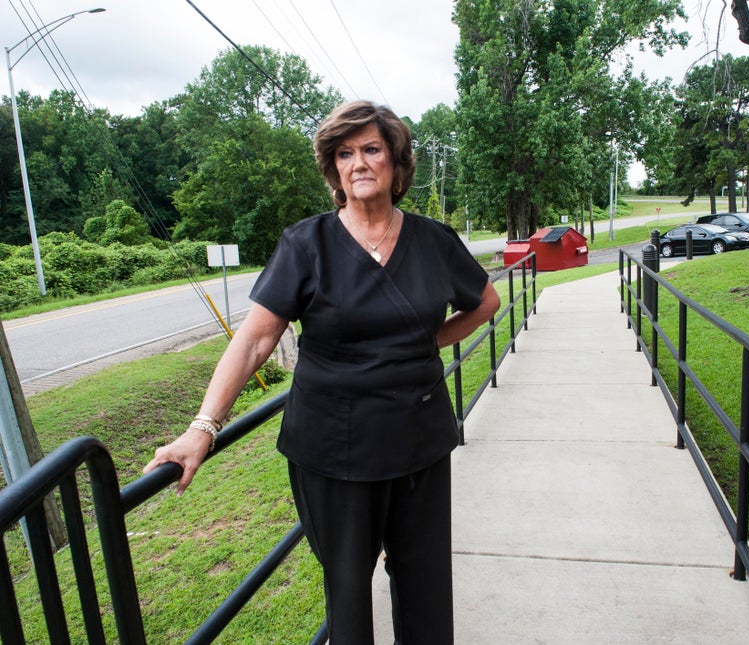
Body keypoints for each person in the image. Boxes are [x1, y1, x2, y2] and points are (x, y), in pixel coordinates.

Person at [144, 99, 501, 644]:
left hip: (419, 444)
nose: (359, 162)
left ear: (396, 162)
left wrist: (428, 340)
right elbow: (256, 340)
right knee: (349, 594)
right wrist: (203, 427)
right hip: (336, 451)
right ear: (334, 168)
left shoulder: (434, 241)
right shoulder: (305, 245)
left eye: (372, 149)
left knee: (427, 587)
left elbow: (485, 302)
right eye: (345, 153)